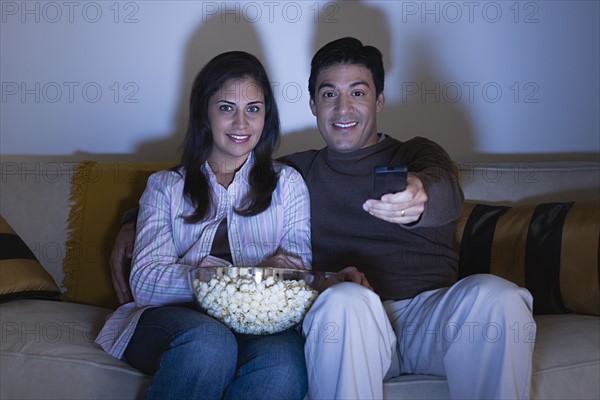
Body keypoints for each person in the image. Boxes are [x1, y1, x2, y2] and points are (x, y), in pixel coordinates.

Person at [111, 38, 536, 400]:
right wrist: (132, 219)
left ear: (380, 99)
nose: (343, 107)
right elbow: (224, 173)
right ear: (313, 104)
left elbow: (446, 191)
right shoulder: (297, 173)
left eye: (358, 91)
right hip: (350, 321)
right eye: (330, 93)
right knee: (344, 302)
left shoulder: (415, 154)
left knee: (499, 297)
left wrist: (420, 196)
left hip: (430, 315)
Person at [96, 51, 312, 400]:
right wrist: (240, 277)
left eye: (253, 109)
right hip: (170, 320)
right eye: (227, 108)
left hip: (258, 325)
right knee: (210, 342)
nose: (241, 124)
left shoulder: (288, 185)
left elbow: (295, 281)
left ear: (266, 115)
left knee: (285, 365)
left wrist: (212, 278)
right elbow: (147, 283)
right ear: (204, 113)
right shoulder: (165, 187)